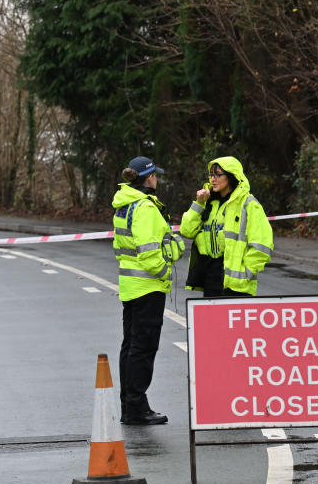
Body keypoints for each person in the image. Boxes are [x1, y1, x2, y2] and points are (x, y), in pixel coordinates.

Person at [112, 156, 184, 425]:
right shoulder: (145, 208)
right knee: (143, 349)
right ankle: (137, 408)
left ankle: (129, 404)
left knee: (130, 347)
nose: (158, 179)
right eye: (156, 175)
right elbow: (151, 253)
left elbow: (121, 248)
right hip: (148, 287)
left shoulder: (124, 204)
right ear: (149, 177)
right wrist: (166, 273)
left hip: (130, 286)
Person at [180, 156, 273, 296]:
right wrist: (198, 204)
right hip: (210, 279)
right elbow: (186, 231)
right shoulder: (207, 201)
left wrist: (246, 272)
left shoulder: (249, 204)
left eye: (218, 175)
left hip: (237, 285)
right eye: (211, 175)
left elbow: (262, 245)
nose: (213, 179)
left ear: (231, 176)